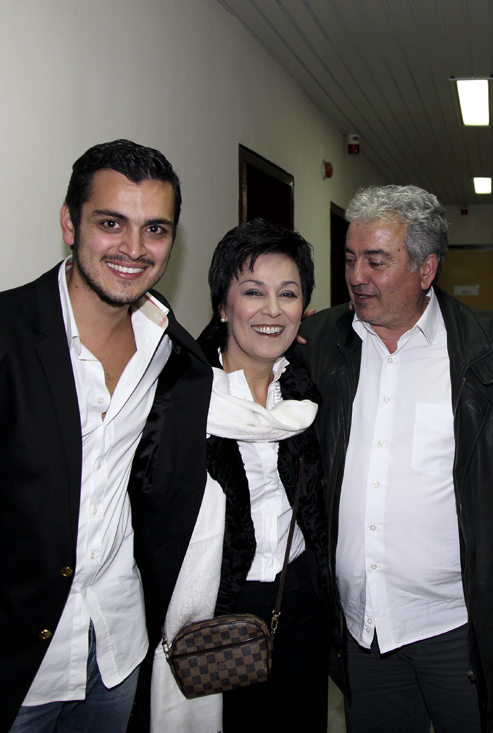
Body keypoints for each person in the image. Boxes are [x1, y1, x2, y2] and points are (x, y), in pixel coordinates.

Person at [0, 140, 212, 733]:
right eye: (111, 223)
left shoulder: (172, 353)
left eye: (155, 229)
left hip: (118, 655)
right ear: (69, 223)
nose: (135, 249)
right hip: (3, 675)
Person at [297, 185, 493, 733]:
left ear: (427, 269)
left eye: (376, 261)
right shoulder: (322, 340)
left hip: (456, 628)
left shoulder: (490, 347)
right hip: (364, 629)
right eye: (350, 258)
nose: (356, 276)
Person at [148, 219, 334, 732]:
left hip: (299, 603)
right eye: (253, 292)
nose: (272, 310)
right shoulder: (179, 398)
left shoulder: (308, 393)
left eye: (288, 294)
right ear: (223, 306)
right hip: (216, 611)